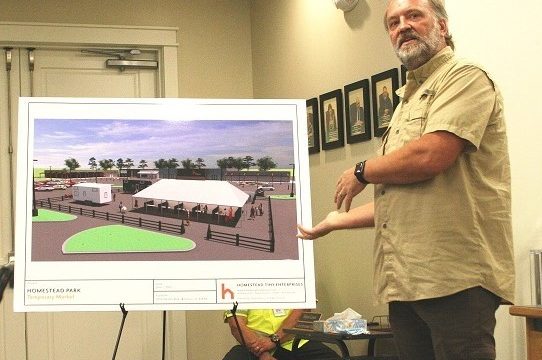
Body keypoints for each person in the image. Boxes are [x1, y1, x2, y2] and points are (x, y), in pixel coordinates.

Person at [297, 1, 514, 359]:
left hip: (454, 280)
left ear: (442, 27)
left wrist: (361, 171)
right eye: (393, 22)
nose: (403, 26)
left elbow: (431, 155)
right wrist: (337, 222)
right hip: (404, 283)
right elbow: (399, 201)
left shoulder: (466, 77)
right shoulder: (403, 103)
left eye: (414, 15)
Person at [222, 308, 340, 360]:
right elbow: (236, 326)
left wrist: (274, 339)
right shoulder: (240, 284)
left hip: (295, 342)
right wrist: (262, 353)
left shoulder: (292, 278)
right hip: (253, 347)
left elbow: (302, 312)